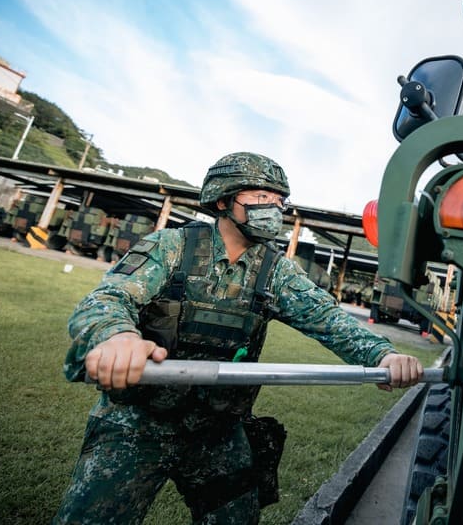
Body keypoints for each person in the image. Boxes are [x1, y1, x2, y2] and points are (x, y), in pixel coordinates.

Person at [54, 152, 423, 524]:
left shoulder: (276, 271)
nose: (274, 209)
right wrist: (117, 336)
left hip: (217, 432)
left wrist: (382, 354)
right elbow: (108, 298)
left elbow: (328, 319)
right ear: (222, 199)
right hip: (139, 422)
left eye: (279, 201)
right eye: (261, 197)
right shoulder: (170, 247)